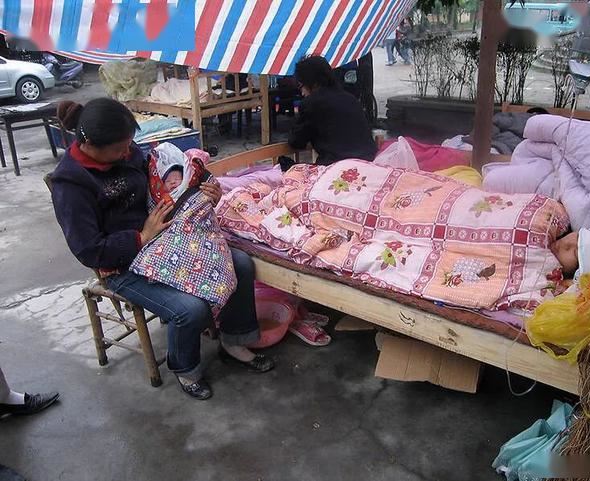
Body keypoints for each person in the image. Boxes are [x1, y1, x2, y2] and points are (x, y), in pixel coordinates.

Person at [50, 98, 275, 401]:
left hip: (165, 240)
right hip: (122, 263)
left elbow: (162, 179)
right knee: (190, 309)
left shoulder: (127, 152)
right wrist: (141, 236)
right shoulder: (71, 184)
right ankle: (185, 368)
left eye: (129, 145)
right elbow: (89, 250)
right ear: (90, 144)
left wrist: (205, 188)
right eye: (119, 149)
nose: (127, 153)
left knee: (241, 263)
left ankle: (234, 341)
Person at [288, 56, 377, 166]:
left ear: (312, 83)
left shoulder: (311, 103)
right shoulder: (350, 99)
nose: (302, 93)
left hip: (339, 168)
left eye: (301, 86)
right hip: (369, 163)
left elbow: (296, 142)